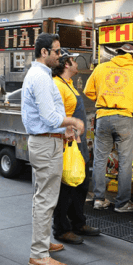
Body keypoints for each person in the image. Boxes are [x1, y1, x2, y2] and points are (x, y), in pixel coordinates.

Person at [21, 33, 84, 265]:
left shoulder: (41, 75)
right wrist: (72, 123)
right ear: (44, 52)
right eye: (57, 51)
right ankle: (38, 253)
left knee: (44, 198)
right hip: (46, 144)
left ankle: (43, 243)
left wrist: (63, 127)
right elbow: (49, 116)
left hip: (47, 141)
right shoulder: (40, 76)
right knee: (46, 199)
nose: (60, 55)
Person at [84, 43, 133, 213]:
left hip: (103, 116)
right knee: (125, 161)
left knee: (100, 160)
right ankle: (122, 203)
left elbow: (88, 91)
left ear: (118, 53)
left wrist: (102, 99)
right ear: (132, 57)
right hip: (124, 118)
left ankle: (99, 199)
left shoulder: (101, 68)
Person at [52, 48, 101, 245]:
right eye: (73, 60)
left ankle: (78, 222)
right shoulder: (57, 85)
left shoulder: (69, 84)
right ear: (66, 64)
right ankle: (62, 229)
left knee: (81, 184)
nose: (76, 63)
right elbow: (56, 115)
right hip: (67, 142)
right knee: (66, 187)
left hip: (78, 142)